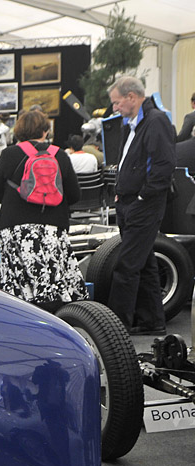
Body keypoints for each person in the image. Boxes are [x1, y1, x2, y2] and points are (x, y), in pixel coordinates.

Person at [0, 109, 83, 312]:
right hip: (52, 228)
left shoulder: (8, 154)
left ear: (19, 131)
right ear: (45, 131)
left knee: (18, 285)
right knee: (53, 280)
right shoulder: (59, 155)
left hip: (15, 229)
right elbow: (75, 195)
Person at [106, 75, 176, 335]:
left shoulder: (156, 121)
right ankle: (152, 322)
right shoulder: (131, 124)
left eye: (116, 102)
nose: (115, 108)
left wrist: (141, 197)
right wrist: (120, 193)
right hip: (128, 203)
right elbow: (127, 161)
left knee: (126, 267)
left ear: (131, 97)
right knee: (143, 264)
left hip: (144, 205)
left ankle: (115, 329)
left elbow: (163, 166)